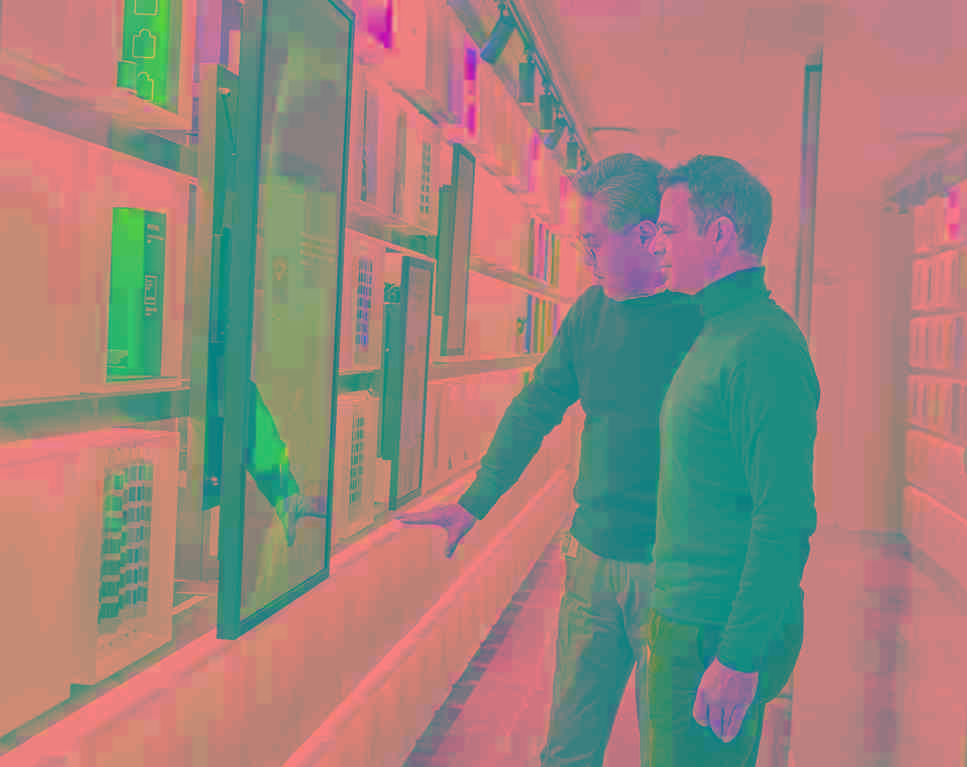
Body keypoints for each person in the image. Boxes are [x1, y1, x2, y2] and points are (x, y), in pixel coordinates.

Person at [396, 153, 704, 766]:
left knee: (670, 752)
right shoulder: (591, 313)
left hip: (668, 575)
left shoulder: (699, 323)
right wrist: (475, 501)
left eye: (594, 242)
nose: (586, 258)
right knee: (567, 750)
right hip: (591, 565)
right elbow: (535, 406)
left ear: (646, 236)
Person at [646, 155, 821, 766]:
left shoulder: (763, 346)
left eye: (669, 230)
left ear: (719, 233)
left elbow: (785, 516)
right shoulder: (719, 331)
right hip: (686, 620)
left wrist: (739, 656)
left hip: (712, 635)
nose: (657, 244)